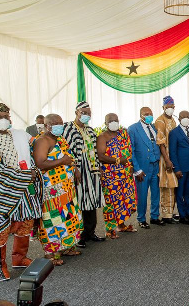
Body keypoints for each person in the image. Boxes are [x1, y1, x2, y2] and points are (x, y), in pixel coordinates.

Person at [0, 103, 42, 280]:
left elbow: (37, 146)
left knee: (25, 223)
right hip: (0, 192)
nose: (3, 120)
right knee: (0, 228)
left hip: (24, 188)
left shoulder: (19, 134)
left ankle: (19, 258)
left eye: (6, 116)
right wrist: (21, 175)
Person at [32, 114, 83, 267]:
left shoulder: (60, 139)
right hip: (52, 192)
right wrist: (63, 161)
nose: (58, 125)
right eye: (54, 123)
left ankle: (66, 247)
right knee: (52, 220)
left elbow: (69, 158)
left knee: (67, 217)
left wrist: (74, 170)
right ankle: (50, 254)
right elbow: (40, 163)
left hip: (66, 189)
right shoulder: (42, 141)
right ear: (47, 125)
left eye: (60, 123)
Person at [63, 101, 104, 248]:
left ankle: (90, 232)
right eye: (83, 112)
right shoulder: (67, 128)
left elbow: (94, 150)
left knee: (91, 202)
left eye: (88, 113)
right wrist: (75, 170)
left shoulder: (90, 130)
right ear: (76, 112)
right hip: (78, 170)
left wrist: (98, 168)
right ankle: (78, 236)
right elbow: (66, 151)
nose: (86, 115)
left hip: (91, 172)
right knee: (79, 202)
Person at [96, 113, 137, 239]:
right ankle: (109, 229)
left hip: (125, 174)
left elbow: (129, 152)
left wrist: (130, 167)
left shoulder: (123, 134)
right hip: (111, 176)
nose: (114, 122)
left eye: (116, 120)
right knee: (112, 202)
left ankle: (121, 225)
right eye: (111, 120)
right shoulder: (102, 137)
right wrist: (118, 161)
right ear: (105, 123)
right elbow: (101, 156)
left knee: (125, 200)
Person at [128, 107, 163, 229]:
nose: (149, 116)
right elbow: (131, 151)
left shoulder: (153, 127)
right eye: (146, 114)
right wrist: (137, 169)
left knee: (155, 193)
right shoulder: (133, 129)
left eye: (151, 114)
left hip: (155, 166)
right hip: (142, 168)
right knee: (142, 194)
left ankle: (154, 216)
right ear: (140, 115)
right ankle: (141, 218)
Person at [154, 95, 179, 224]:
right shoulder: (160, 121)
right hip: (165, 158)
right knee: (166, 186)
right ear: (163, 107)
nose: (169, 109)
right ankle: (166, 215)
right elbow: (161, 143)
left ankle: (171, 212)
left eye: (171, 107)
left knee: (172, 186)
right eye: (167, 107)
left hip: (173, 156)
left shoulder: (173, 121)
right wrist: (167, 160)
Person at [169, 110, 189, 224]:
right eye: (183, 117)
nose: (186, 118)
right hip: (180, 168)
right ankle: (182, 215)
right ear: (179, 118)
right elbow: (173, 152)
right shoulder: (174, 132)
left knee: (188, 192)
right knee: (180, 193)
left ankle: (188, 212)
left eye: (188, 116)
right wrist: (176, 168)